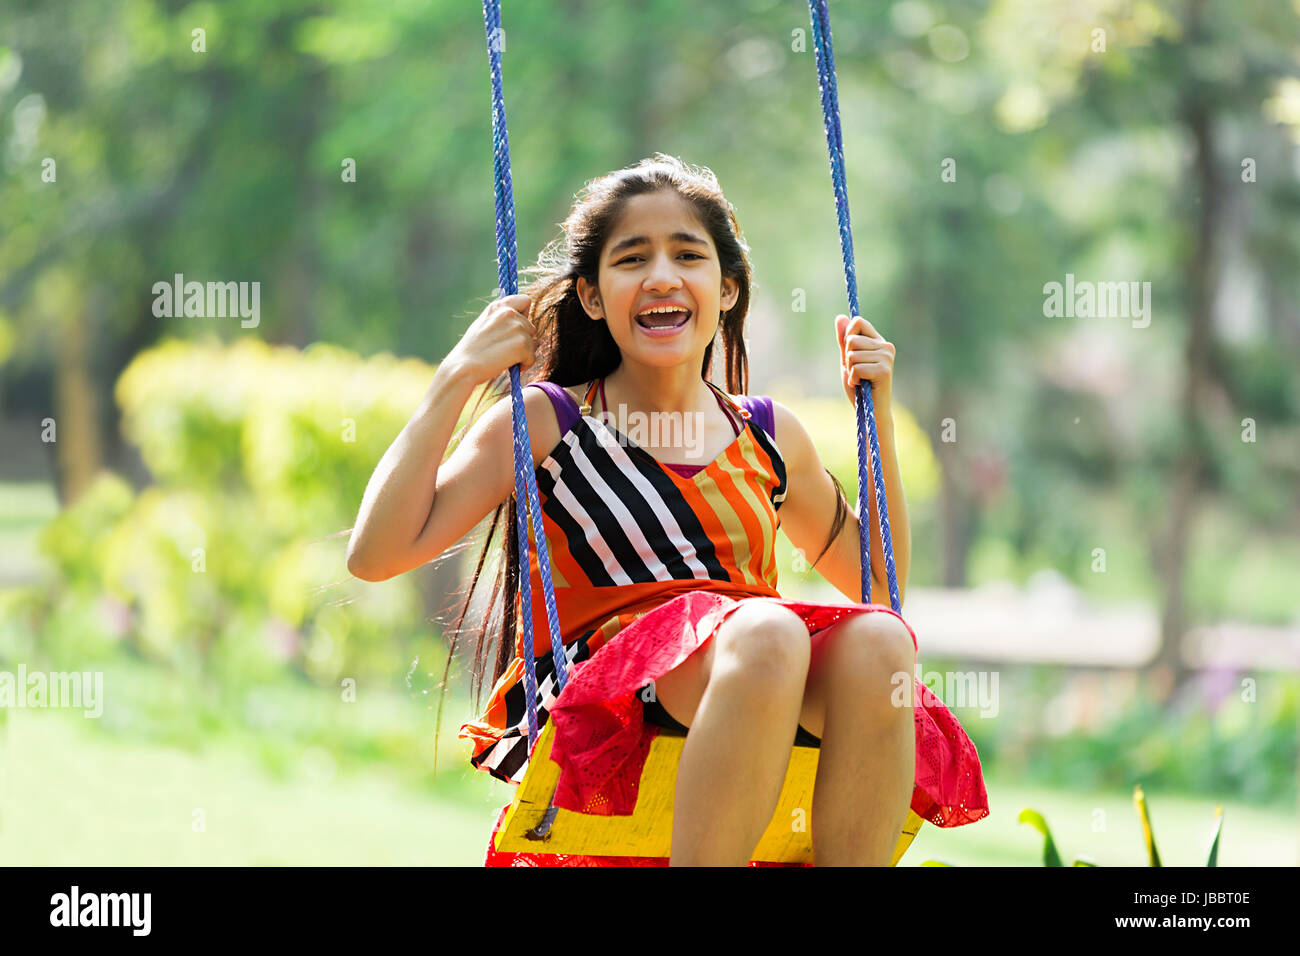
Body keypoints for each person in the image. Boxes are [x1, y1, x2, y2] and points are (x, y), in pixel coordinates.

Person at [347, 153, 988, 866]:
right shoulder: (548, 421)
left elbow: (880, 585)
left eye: (688, 255)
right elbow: (375, 556)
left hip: (745, 671)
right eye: (631, 258)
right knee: (770, 629)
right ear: (592, 297)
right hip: (605, 694)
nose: (661, 275)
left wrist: (880, 416)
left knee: (880, 644)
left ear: (728, 290)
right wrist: (454, 378)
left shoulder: (769, 436)